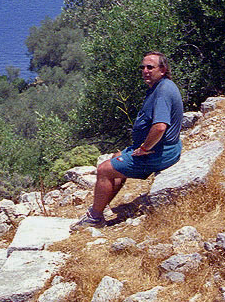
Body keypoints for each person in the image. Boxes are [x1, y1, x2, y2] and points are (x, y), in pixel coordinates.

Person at [75, 51, 183, 228]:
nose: (145, 71)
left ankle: (94, 218)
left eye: (150, 67)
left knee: (104, 169)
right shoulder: (161, 86)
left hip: (158, 153)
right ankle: (101, 205)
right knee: (115, 157)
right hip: (163, 148)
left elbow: (160, 126)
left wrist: (145, 148)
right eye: (143, 67)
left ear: (163, 69)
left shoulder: (163, 91)